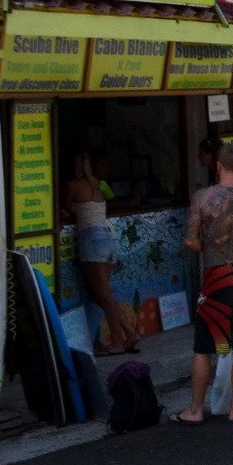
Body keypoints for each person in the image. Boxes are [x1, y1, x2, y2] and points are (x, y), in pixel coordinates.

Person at [172, 143, 233, 424]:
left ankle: (194, 410)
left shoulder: (203, 198)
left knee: (204, 346)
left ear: (218, 166)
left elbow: (191, 241)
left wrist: (213, 245)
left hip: (216, 274)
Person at [65, 151, 142, 356]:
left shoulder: (73, 185)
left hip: (91, 241)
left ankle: (118, 341)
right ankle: (129, 333)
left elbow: (63, 210)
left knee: (103, 295)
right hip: (108, 240)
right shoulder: (98, 186)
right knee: (101, 294)